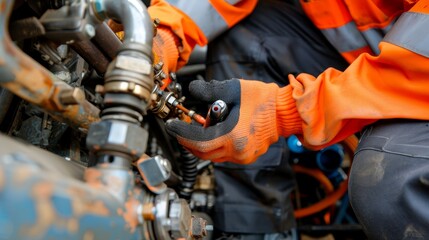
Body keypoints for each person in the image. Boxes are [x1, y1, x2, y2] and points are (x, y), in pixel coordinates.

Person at [148, 0, 429, 239]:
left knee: (391, 183)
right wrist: (167, 30)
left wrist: (286, 109)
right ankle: (256, 229)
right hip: (375, 59)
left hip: (417, 79)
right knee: (250, 37)